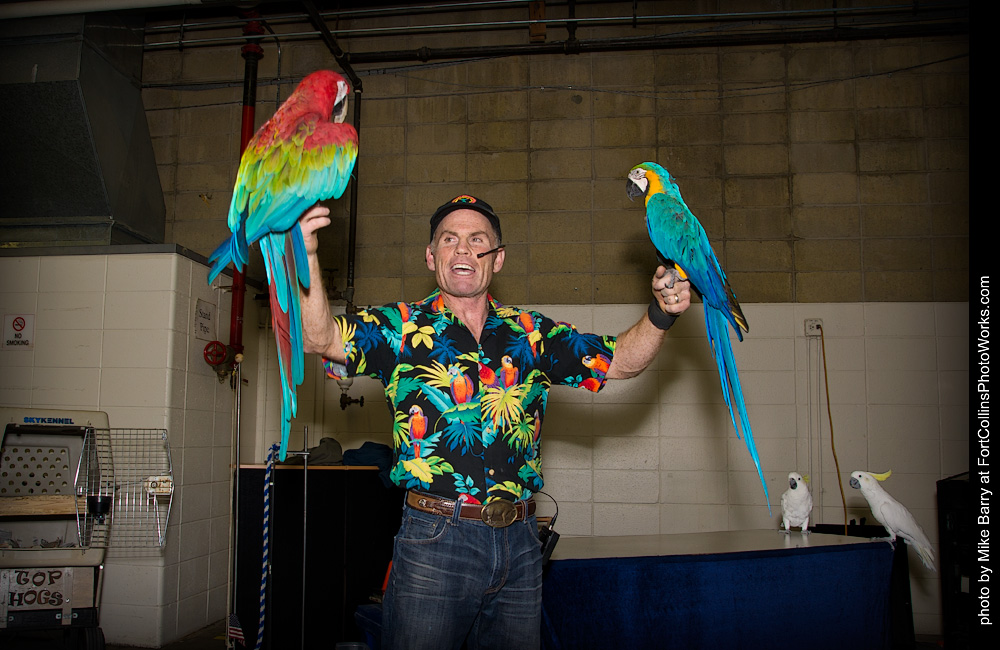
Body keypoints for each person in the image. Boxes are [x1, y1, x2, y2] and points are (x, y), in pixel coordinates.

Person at [299, 195, 691, 650]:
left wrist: (661, 314)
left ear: (497, 258)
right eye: (449, 240)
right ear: (431, 256)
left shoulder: (532, 334)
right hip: (435, 544)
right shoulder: (399, 327)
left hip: (521, 544)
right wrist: (307, 254)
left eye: (477, 240)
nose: (463, 249)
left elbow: (619, 361)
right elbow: (320, 338)